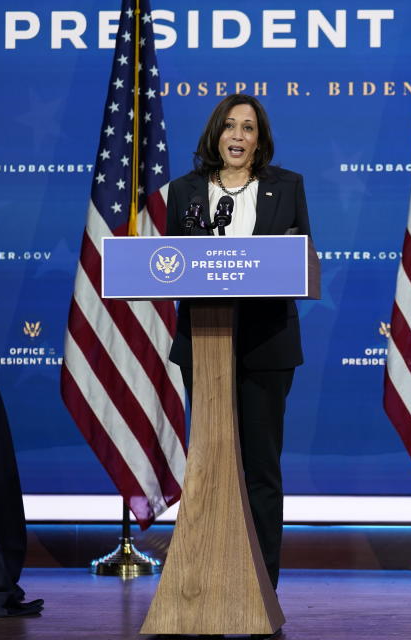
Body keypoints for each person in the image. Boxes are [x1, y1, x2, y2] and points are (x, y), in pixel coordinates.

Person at [165, 94, 311, 589]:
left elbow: (300, 260)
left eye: (248, 128)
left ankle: (259, 591)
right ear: (215, 134)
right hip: (204, 344)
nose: (238, 136)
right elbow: (167, 267)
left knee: (260, 469)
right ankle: (202, 588)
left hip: (267, 344)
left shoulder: (286, 187)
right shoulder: (184, 191)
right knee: (208, 467)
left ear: (259, 140)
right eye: (229, 126)